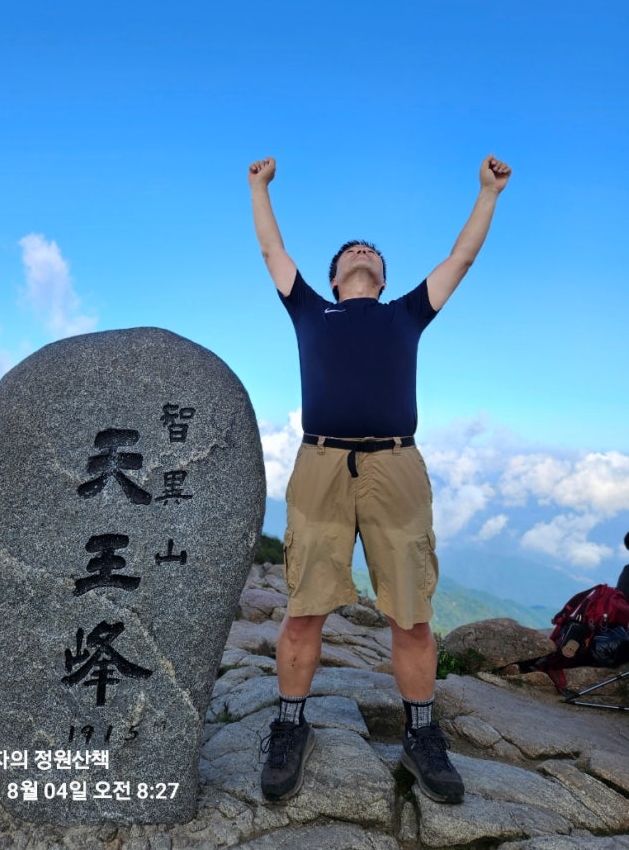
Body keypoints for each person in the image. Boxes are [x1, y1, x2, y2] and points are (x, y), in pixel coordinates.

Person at [248, 152, 512, 805]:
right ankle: (289, 725)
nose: (361, 251)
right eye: (350, 251)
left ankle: (421, 734)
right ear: (335, 277)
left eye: (371, 251)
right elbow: (273, 249)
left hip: (396, 466)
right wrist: (259, 187)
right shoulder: (309, 310)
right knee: (303, 608)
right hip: (320, 464)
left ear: (382, 278)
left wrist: (487, 193)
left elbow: (460, 259)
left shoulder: (405, 314)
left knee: (411, 613)